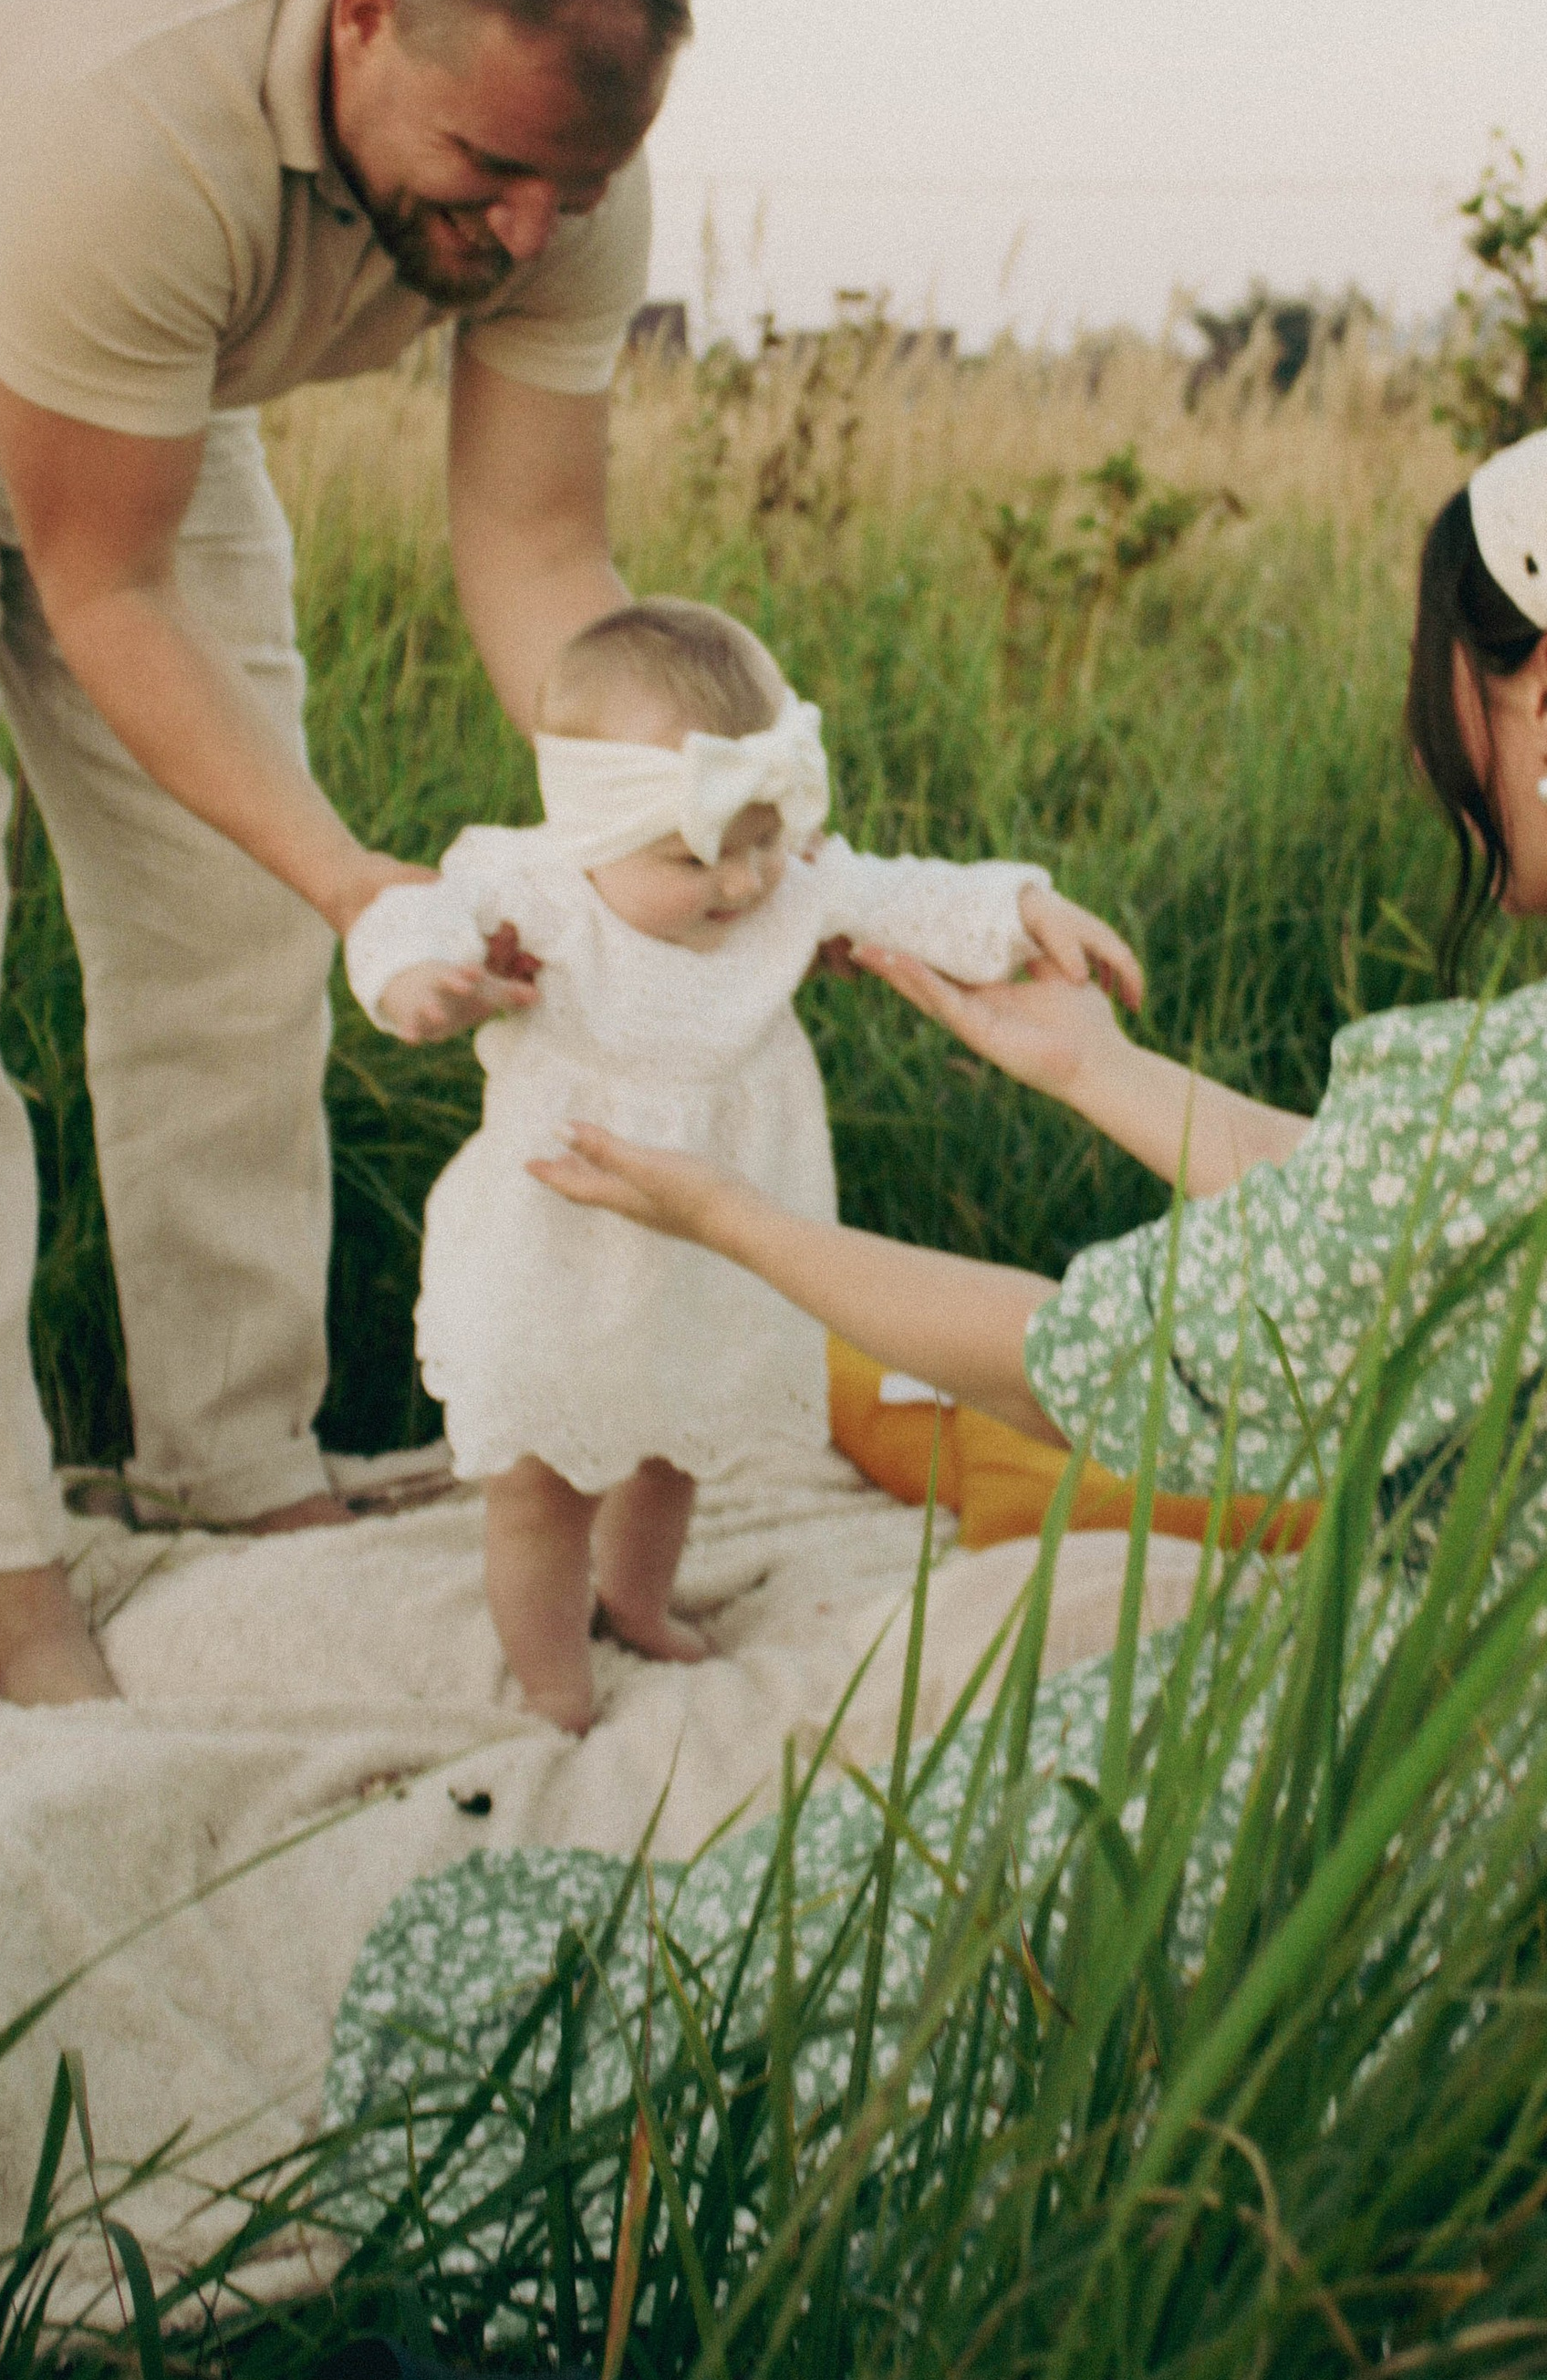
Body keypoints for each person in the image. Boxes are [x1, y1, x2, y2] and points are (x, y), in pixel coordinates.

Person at [321, 412, 1547, 2193]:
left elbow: (1077, 1362)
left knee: (789, 1989)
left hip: (1469, 1788)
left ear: (1545, 692)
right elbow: (1405, 1215)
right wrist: (1095, 1075)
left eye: (1441, 674)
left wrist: (723, 1217)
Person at [0, 0, 690, 1705]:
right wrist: (365, 882)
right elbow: (102, 590)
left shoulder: (558, 174)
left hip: (137, 375)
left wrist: (671, 800)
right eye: (493, 169)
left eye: (580, 182)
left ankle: (235, 1465)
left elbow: (539, 561)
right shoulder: (135, 116)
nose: (531, 229)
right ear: (363, 19)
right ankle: (4, 1551)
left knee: (225, 925)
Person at [340, 597, 1139, 1730]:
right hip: (562, 1248)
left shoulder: (787, 885)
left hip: (715, 1247)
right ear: (588, 829)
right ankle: (552, 1681)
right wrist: (419, 982)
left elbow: (907, 891)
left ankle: (636, 1600)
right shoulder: (539, 892)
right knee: (541, 1485)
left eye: (765, 841)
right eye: (698, 858)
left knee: (680, 1443)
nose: (742, 884)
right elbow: (412, 913)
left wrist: (1023, 907)